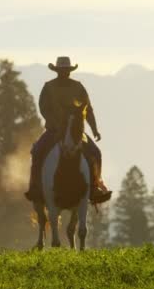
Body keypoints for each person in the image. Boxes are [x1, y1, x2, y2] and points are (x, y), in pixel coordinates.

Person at [25, 56, 112, 204]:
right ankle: (35, 186)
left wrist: (94, 129)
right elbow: (44, 108)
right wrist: (55, 123)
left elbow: (87, 109)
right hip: (54, 130)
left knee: (96, 153)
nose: (65, 72)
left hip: (75, 131)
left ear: (69, 71)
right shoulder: (49, 87)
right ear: (57, 71)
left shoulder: (78, 87)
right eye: (62, 70)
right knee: (37, 151)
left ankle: (94, 186)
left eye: (67, 70)